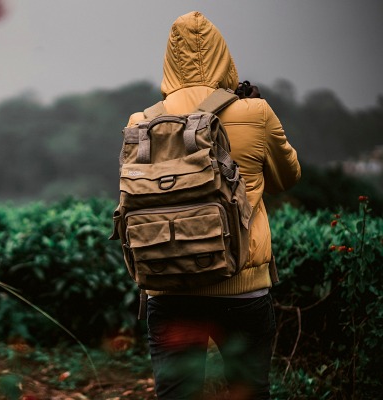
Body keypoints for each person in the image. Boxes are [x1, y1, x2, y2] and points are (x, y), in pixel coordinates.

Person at [125, 11, 301, 400]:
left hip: (168, 287)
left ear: (169, 61)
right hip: (242, 288)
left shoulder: (143, 122)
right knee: (250, 392)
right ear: (225, 57)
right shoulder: (255, 112)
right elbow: (288, 178)